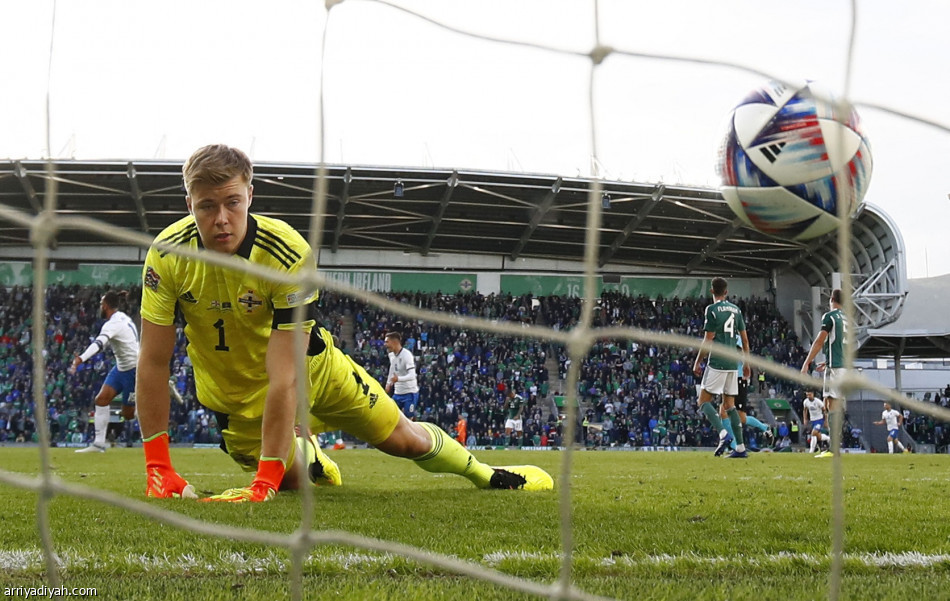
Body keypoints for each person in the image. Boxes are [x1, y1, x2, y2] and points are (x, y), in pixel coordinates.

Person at [137, 144, 552, 502]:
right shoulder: (168, 256)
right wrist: (158, 466)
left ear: (250, 194)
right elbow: (154, 361)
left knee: (403, 441)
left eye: (232, 202)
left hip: (314, 370)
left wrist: (262, 482)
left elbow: (287, 375)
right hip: (235, 399)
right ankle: (309, 455)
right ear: (190, 204)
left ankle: (484, 473)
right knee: (295, 483)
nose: (221, 218)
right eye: (207, 206)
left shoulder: (285, 253)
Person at [70, 290, 139, 453]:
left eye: (101, 304)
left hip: (134, 371)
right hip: (121, 368)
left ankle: (154, 393)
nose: (100, 307)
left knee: (128, 414)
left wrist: (81, 358)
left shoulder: (112, 324)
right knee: (101, 400)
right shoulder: (122, 317)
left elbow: (99, 343)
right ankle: (99, 444)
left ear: (106, 306)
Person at [692, 277, 751, 458]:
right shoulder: (736, 310)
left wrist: (697, 361)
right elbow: (745, 339)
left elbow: (708, 339)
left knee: (702, 402)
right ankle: (740, 448)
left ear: (711, 291)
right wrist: (747, 363)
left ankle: (723, 434)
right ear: (726, 292)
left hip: (717, 361)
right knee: (729, 405)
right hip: (733, 363)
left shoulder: (711, 309)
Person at [384, 331, 419, 419]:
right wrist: (388, 384)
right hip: (398, 393)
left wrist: (398, 379)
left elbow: (412, 375)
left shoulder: (406, 355)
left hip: (409, 393)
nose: (385, 344)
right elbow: (392, 370)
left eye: (387, 342)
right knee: (391, 416)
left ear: (395, 342)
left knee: (408, 419)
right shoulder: (392, 355)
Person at [803, 390, 831, 458]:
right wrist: (805, 419)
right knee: (817, 436)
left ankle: (811, 451)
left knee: (813, 433)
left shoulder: (818, 402)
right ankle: (827, 438)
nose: (808, 396)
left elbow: (824, 411)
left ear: (813, 394)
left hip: (819, 420)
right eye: (807, 395)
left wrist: (826, 421)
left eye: (809, 394)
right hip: (812, 420)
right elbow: (805, 410)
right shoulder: (805, 402)